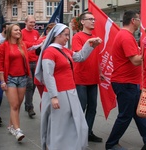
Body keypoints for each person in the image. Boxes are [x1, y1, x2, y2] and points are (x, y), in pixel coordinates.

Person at [35, 23, 102, 150]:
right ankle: (55, 146)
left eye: (68, 35)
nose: (67, 38)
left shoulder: (63, 50)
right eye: (65, 35)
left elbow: (80, 57)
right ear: (57, 35)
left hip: (69, 91)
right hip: (59, 93)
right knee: (59, 125)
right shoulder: (50, 51)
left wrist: (90, 45)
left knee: (72, 123)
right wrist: (53, 96)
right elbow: (48, 75)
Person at [105, 10, 146, 150]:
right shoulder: (126, 37)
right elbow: (135, 61)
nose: (140, 22)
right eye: (139, 20)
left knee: (139, 113)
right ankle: (111, 144)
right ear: (133, 21)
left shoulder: (126, 35)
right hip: (125, 82)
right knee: (125, 115)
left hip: (130, 82)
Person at [72, 11, 103, 143]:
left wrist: (100, 71)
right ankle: (77, 133)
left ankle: (88, 132)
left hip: (93, 78)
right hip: (81, 79)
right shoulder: (77, 37)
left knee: (93, 108)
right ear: (83, 22)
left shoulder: (95, 37)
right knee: (81, 107)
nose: (93, 21)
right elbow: (79, 56)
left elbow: (97, 58)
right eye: (90, 19)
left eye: (94, 19)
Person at [0, 24, 30, 141]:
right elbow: (0, 64)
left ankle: (11, 126)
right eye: (16, 30)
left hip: (22, 78)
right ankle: (18, 130)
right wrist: (2, 81)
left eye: (19, 30)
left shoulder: (22, 45)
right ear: (10, 32)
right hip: (10, 78)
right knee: (14, 105)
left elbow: (33, 46)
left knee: (17, 105)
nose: (19, 31)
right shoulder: (3, 46)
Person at [21, 15, 40, 117]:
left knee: (34, 84)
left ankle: (27, 103)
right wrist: (32, 44)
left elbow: (37, 44)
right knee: (29, 85)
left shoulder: (36, 32)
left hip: (35, 61)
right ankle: (30, 107)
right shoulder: (21, 33)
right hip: (26, 62)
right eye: (31, 22)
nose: (32, 24)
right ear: (25, 22)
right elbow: (21, 44)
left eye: (34, 22)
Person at [34, 22, 56, 98]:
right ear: (47, 31)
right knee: (44, 98)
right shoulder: (41, 40)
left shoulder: (58, 41)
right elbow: (37, 52)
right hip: (42, 72)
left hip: (55, 74)